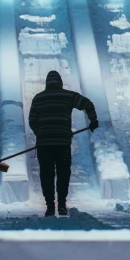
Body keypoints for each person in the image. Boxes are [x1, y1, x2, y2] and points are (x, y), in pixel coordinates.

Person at [28, 70, 99, 217]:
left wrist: (41, 133)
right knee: (63, 173)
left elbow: (32, 121)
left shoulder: (38, 98)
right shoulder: (68, 96)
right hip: (62, 143)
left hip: (44, 144)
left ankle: (49, 207)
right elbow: (88, 104)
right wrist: (93, 121)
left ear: (47, 83)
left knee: (46, 174)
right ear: (60, 82)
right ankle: (61, 205)